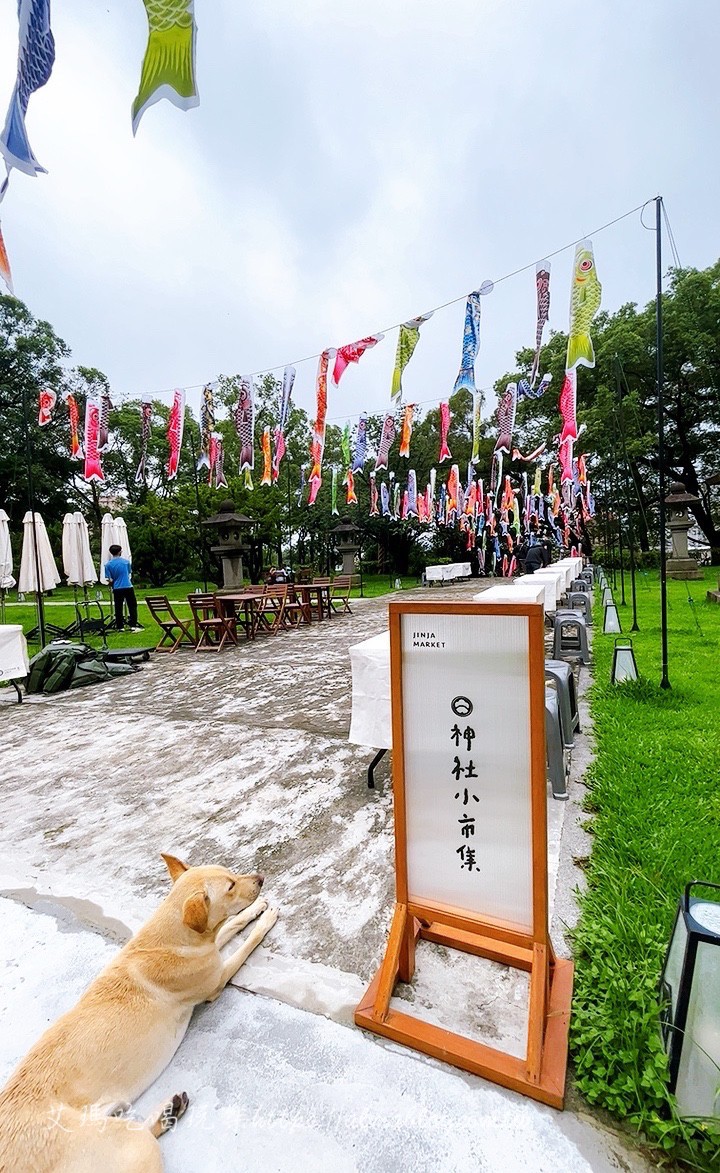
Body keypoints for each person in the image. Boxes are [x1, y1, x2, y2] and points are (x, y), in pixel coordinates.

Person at [104, 544, 142, 632]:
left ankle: (120, 626)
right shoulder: (126, 562)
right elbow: (128, 572)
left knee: (118, 607)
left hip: (117, 588)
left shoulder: (108, 565)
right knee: (132, 606)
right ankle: (133, 625)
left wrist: (111, 584)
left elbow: (110, 579)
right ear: (120, 551)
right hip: (128, 586)